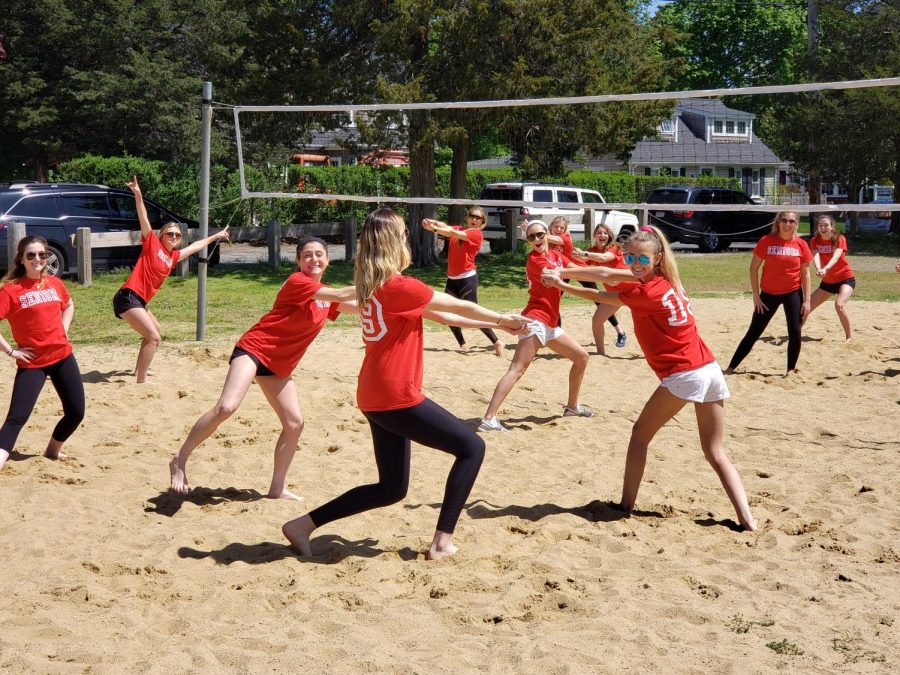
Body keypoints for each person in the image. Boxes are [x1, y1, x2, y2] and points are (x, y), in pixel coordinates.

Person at [282, 208, 526, 561]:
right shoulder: (399, 286)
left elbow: (444, 315)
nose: (408, 239)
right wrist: (502, 318)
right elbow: (455, 303)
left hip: (373, 394)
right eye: (404, 234)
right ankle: (442, 542)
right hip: (396, 395)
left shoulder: (373, 284)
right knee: (472, 448)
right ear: (395, 242)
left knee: (391, 487)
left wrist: (500, 327)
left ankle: (303, 525)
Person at [541, 226, 757, 531]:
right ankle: (747, 519)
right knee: (714, 451)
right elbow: (604, 272)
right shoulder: (666, 279)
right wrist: (564, 268)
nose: (634, 262)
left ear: (657, 258)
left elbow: (600, 293)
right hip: (709, 369)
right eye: (630, 256)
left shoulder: (646, 291)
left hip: (685, 373)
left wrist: (561, 281)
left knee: (640, 435)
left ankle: (625, 505)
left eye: (642, 257)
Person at [168, 238, 356, 499]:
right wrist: (378, 279)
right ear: (299, 261)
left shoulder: (324, 294)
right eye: (308, 255)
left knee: (294, 424)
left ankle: (277, 488)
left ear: (328, 259)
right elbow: (341, 295)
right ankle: (180, 459)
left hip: (278, 366)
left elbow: (361, 305)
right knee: (226, 407)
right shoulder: (298, 283)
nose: (314, 260)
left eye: (319, 255)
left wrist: (405, 304)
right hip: (254, 350)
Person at [478, 220, 595, 432]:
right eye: (531, 237)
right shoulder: (535, 260)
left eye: (540, 235)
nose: (537, 240)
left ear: (547, 234)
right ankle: (489, 418)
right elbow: (568, 274)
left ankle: (572, 407)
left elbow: (578, 270)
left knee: (581, 357)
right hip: (536, 319)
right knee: (517, 369)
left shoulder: (556, 256)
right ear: (528, 242)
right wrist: (597, 272)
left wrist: (603, 269)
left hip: (550, 323)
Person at [113, 176, 230, 383]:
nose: (174, 237)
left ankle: (139, 368)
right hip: (128, 297)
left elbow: (195, 247)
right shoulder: (152, 244)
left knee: (154, 332)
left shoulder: (173, 257)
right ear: (162, 236)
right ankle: (141, 380)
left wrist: (215, 236)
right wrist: (138, 195)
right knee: (153, 337)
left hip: (140, 301)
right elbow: (144, 218)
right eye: (170, 234)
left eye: (177, 235)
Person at [0, 236, 85, 471]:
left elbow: (68, 305)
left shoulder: (55, 283)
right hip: (33, 363)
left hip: (62, 357)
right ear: (21, 259)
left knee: (76, 412)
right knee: (17, 418)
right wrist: (11, 351)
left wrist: (64, 328)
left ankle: (52, 451)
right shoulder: (10, 291)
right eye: (31, 255)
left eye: (42, 254)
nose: (37, 259)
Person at [724, 211, 812, 376]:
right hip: (768, 294)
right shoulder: (767, 241)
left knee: (795, 331)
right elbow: (753, 268)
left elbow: (806, 274)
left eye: (791, 221)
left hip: (793, 293)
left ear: (796, 224)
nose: (787, 224)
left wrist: (807, 300)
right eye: (784, 220)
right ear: (778, 222)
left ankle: (790, 370)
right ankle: (730, 368)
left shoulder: (801, 244)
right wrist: (756, 296)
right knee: (754, 331)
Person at [422, 207, 504, 356]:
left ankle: (496, 341)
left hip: (467, 278)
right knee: (447, 312)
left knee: (473, 313)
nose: (474, 219)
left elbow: (452, 233)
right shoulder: (461, 228)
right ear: (467, 217)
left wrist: (432, 229)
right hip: (452, 279)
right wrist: (433, 222)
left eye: (478, 218)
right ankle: (463, 344)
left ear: (482, 222)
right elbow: (446, 227)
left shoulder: (476, 234)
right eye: (472, 216)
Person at [580, 222, 632, 354]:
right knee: (597, 320)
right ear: (594, 235)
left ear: (609, 236)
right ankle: (600, 353)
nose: (602, 235)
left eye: (605, 233)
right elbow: (580, 265)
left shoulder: (613, 247)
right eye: (599, 233)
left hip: (635, 290)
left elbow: (604, 258)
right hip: (616, 294)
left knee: (647, 323)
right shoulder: (592, 251)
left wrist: (584, 254)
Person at [805, 214, 855, 341]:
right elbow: (815, 256)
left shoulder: (839, 238)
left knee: (839, 305)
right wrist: (818, 269)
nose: (823, 227)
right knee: (806, 307)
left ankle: (849, 337)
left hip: (845, 278)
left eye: (826, 225)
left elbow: (836, 256)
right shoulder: (814, 241)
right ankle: (794, 333)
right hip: (828, 282)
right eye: (820, 225)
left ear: (832, 226)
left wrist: (825, 268)